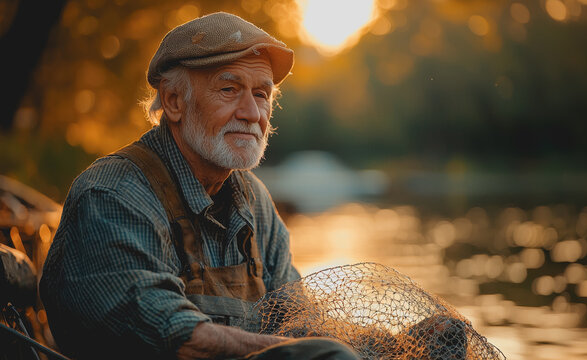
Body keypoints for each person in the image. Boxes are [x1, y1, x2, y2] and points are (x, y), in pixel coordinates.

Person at [40, 12, 359, 360]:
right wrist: (315, 354)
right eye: (229, 89)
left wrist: (386, 342)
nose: (253, 113)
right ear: (174, 101)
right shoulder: (112, 195)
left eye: (262, 94)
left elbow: (298, 319)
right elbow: (177, 337)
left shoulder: (255, 201)